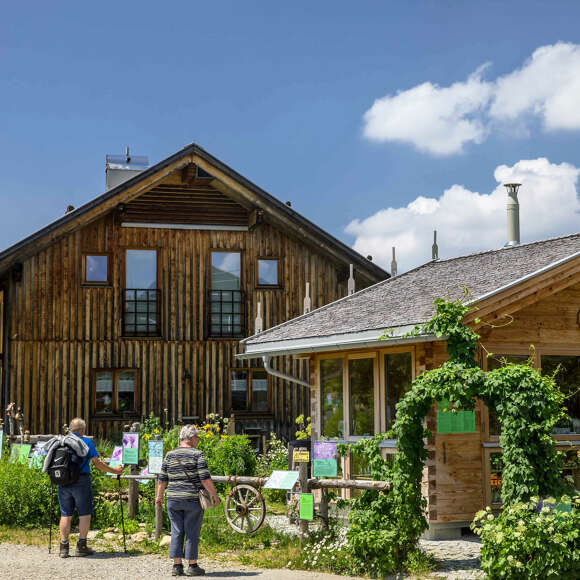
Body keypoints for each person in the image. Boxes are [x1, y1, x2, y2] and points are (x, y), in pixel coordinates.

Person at [156, 425, 220, 577]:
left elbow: (162, 479)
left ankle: (177, 566)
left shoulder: (169, 455)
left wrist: (159, 497)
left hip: (173, 499)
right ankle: (192, 565)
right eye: (197, 438)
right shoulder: (198, 454)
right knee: (192, 531)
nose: (198, 441)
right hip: (192, 499)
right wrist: (214, 495)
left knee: (176, 531)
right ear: (191, 438)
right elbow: (204, 478)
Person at [57, 417, 123, 558]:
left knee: (65, 514)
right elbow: (97, 463)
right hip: (81, 480)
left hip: (63, 481)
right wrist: (115, 471)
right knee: (84, 513)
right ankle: (81, 546)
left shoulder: (61, 441)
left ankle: (64, 547)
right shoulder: (86, 441)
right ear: (82, 430)